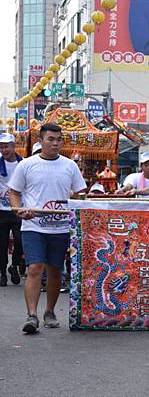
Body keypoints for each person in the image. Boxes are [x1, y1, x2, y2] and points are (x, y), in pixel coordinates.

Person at [8, 123, 87, 333]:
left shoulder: (70, 166)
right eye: (51, 139)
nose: (55, 143)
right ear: (41, 141)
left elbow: (79, 195)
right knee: (34, 269)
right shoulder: (26, 165)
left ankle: (49, 312)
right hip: (33, 226)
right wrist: (18, 210)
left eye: (59, 139)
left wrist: (71, 207)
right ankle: (31, 315)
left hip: (60, 228)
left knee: (55, 271)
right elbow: (13, 192)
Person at [0, 133, 24, 286]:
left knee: (20, 240)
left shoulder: (23, 163)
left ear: (14, 146)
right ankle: (2, 272)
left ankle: (13, 265)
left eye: (7, 146)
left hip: (19, 209)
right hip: (1, 210)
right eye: (1, 147)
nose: (4, 149)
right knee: (2, 244)